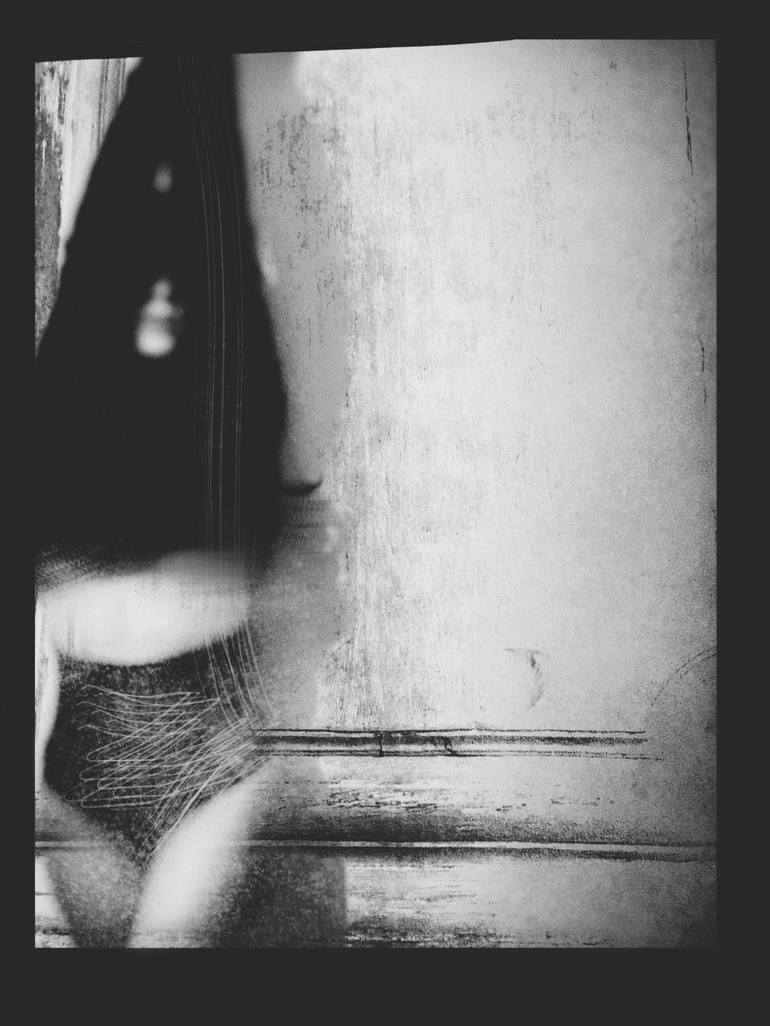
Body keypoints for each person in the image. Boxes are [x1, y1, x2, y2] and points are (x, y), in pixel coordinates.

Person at [35, 52, 349, 946]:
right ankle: (191, 73)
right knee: (151, 260)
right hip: (104, 746)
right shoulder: (87, 410)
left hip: (193, 741)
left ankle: (195, 74)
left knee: (151, 265)